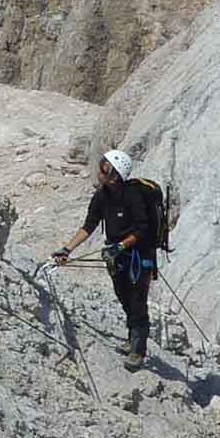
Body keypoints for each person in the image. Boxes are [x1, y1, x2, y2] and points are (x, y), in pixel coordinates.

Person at [52, 150, 165, 369]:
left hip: (138, 256)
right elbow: (89, 225)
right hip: (117, 255)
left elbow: (143, 228)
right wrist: (67, 249)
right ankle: (132, 337)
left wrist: (121, 246)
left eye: (104, 168)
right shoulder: (102, 196)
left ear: (114, 175)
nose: (99, 171)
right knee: (123, 296)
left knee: (137, 300)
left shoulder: (134, 195)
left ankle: (138, 351)